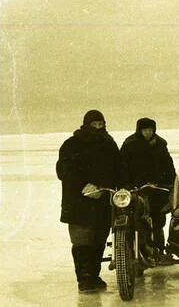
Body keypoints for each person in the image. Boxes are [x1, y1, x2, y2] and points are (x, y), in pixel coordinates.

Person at [56, 109, 121, 293]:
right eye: (94, 125)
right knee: (82, 242)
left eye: (101, 125)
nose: (98, 128)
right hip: (79, 202)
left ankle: (93, 275)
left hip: (102, 201)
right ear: (86, 125)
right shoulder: (71, 144)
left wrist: (112, 186)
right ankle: (84, 280)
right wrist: (84, 185)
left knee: (99, 241)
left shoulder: (109, 144)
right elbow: (63, 170)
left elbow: (119, 168)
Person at [119, 117, 176, 264]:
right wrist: (127, 185)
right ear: (139, 130)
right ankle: (142, 248)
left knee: (158, 220)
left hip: (157, 189)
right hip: (137, 189)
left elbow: (168, 165)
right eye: (145, 130)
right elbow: (123, 167)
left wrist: (170, 183)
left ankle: (159, 249)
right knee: (138, 219)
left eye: (150, 130)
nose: (148, 133)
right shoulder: (130, 144)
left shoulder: (160, 145)